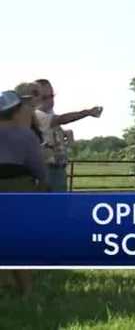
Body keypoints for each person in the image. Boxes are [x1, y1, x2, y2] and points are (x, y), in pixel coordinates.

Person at [0, 89, 48, 297]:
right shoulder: (25, 135)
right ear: (16, 110)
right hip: (18, 186)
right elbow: (38, 166)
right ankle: (26, 290)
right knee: (18, 240)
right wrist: (43, 185)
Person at [22, 79, 102, 192]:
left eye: (52, 96)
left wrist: (65, 134)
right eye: (45, 97)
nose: (50, 100)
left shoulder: (47, 115)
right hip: (47, 169)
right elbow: (62, 119)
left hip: (57, 169)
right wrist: (87, 112)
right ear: (35, 98)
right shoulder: (37, 114)